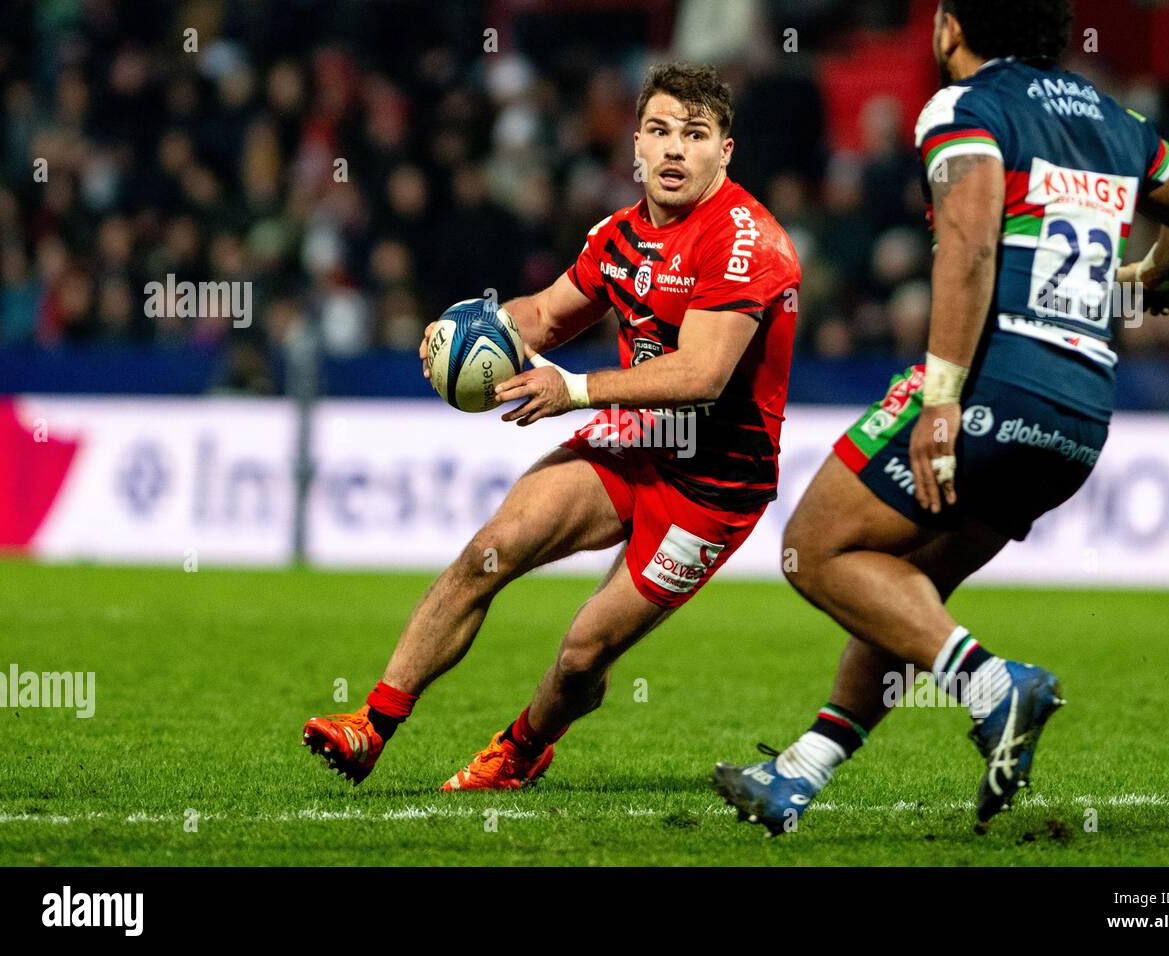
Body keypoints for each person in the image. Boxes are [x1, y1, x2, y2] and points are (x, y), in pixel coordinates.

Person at [713, 0, 1169, 834]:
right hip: (1081, 415)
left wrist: (942, 400)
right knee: (907, 589)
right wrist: (1148, 277)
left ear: (951, 26)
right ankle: (800, 771)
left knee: (814, 549)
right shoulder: (1116, 117)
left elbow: (972, 246)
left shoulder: (966, 107)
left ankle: (995, 687)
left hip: (995, 383)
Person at [302, 63, 802, 791]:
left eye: (694, 135)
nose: (673, 150)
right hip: (636, 446)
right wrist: (461, 332)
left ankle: (523, 747)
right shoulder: (619, 234)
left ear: (725, 152)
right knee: (489, 553)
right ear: (634, 145)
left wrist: (574, 390)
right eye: (659, 131)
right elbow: (544, 313)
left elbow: (701, 377)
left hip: (714, 486)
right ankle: (371, 725)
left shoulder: (744, 242)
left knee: (580, 657)